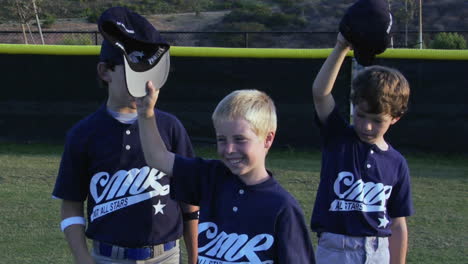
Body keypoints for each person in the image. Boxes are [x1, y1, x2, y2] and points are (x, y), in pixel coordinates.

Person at [52, 7, 198, 264]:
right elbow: (71, 204)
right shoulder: (83, 134)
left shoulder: (170, 127)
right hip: (108, 257)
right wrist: (83, 259)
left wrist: (195, 258)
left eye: (146, 72)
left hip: (165, 256)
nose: (143, 83)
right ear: (104, 71)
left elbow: (190, 202)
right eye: (132, 71)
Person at [136, 85, 315, 263]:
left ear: (268, 139)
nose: (229, 149)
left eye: (240, 139)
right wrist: (146, 115)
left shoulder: (282, 207)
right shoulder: (210, 177)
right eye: (222, 139)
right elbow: (157, 157)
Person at [310, 32, 414, 264]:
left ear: (395, 118)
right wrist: (340, 47)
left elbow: (397, 223)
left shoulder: (396, 163)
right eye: (360, 115)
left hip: (378, 251)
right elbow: (320, 93)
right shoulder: (338, 137)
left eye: (377, 120)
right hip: (335, 251)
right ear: (353, 106)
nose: (366, 126)